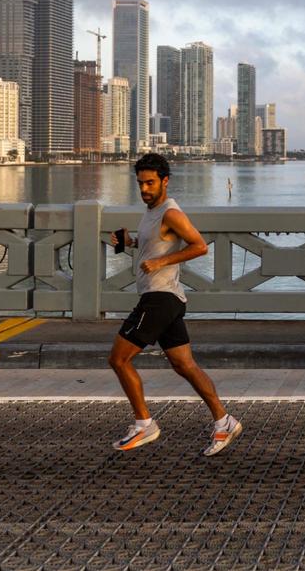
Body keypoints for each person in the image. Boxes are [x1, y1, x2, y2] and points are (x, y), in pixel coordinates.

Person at [108, 153, 242, 454]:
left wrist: (161, 262)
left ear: (165, 182)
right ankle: (225, 421)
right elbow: (154, 244)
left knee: (118, 359)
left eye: (150, 183)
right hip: (167, 298)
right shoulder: (151, 212)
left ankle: (144, 424)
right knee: (184, 364)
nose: (144, 188)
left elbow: (199, 246)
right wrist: (128, 242)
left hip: (160, 298)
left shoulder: (170, 213)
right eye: (141, 183)